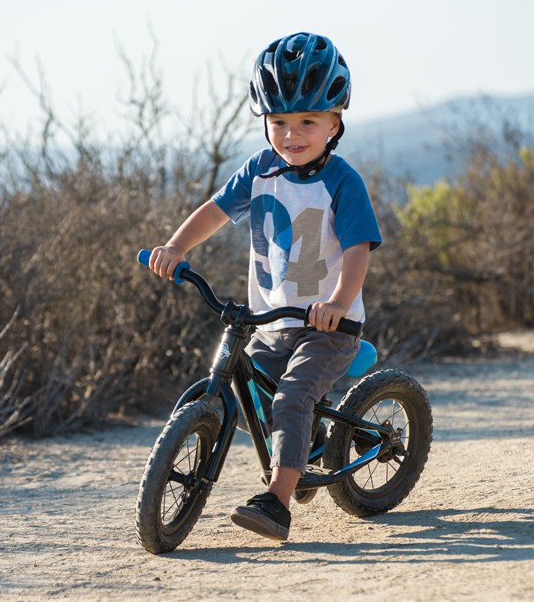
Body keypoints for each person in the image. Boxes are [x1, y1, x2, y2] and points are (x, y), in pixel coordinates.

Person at [148, 32, 382, 541]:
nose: (291, 134)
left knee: (292, 394)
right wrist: (176, 247)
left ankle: (276, 503)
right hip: (273, 320)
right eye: (278, 122)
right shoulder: (259, 170)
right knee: (252, 387)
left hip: (328, 325)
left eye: (307, 122)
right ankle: (300, 448)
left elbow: (359, 247)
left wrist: (339, 302)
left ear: (334, 124)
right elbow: (214, 211)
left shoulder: (342, 182)